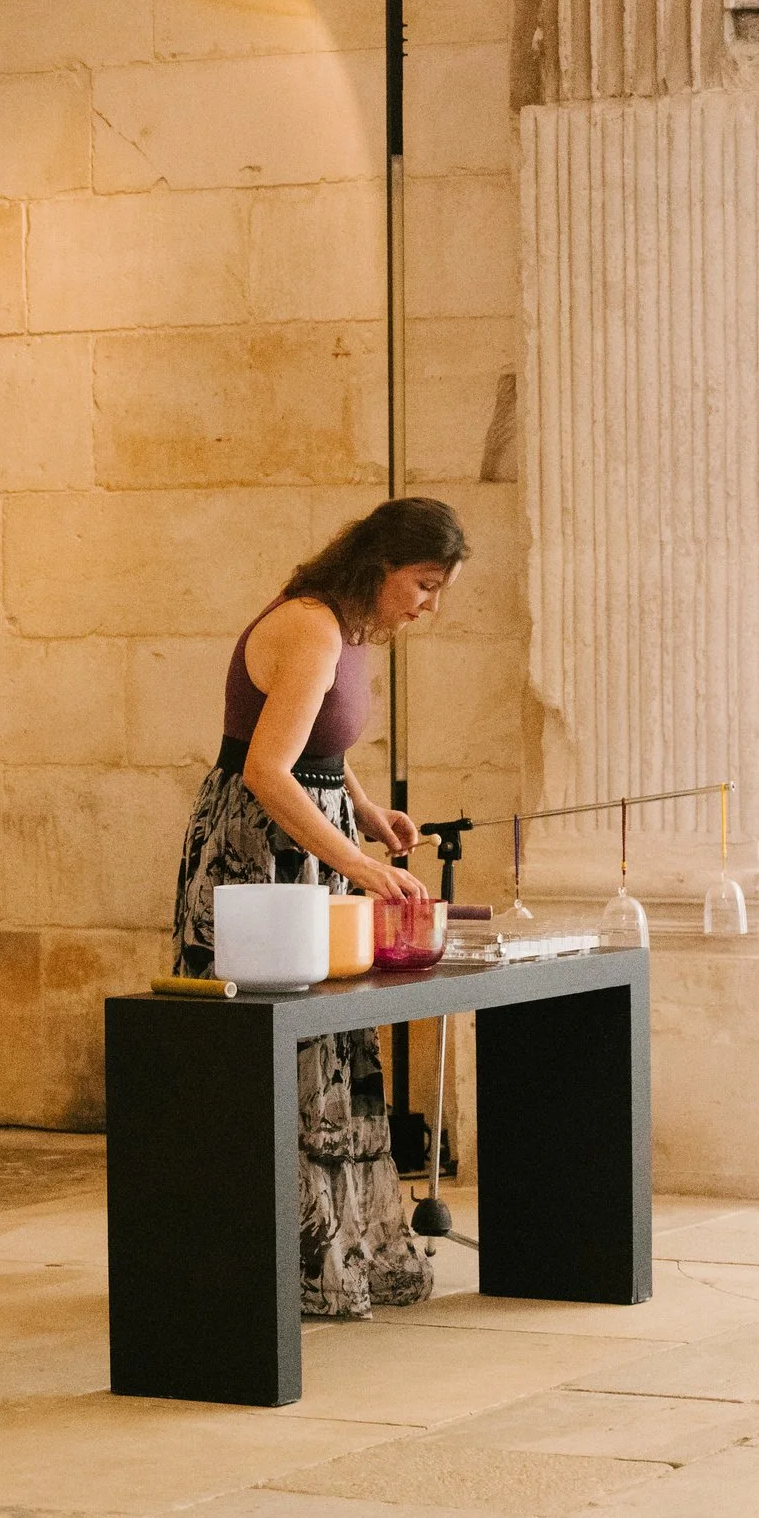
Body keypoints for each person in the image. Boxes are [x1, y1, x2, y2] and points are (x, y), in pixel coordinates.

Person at [170, 497, 465, 1318]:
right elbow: (267, 768)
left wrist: (364, 812)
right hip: (260, 854)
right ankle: (278, 1263)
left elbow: (318, 745)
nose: (428, 605)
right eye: (423, 584)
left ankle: (342, 1252)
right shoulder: (311, 626)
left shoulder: (345, 627)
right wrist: (360, 864)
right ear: (380, 567)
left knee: (331, 1045)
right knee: (286, 1053)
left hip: (314, 839)